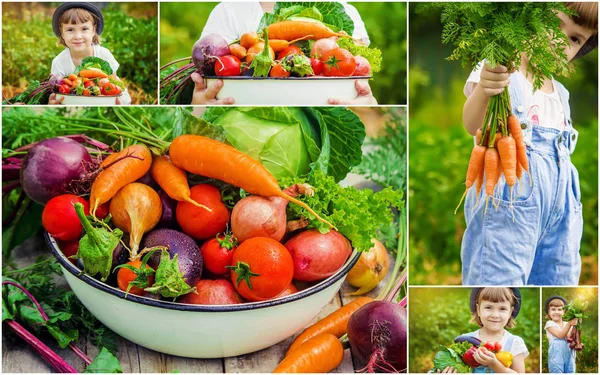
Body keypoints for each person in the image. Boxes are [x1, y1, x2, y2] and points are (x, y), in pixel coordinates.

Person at [460, 2, 598, 285]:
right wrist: (487, 87)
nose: (561, 40)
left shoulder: (561, 93)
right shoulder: (501, 68)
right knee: (500, 278)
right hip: (508, 206)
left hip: (561, 214)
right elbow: (473, 124)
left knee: (557, 278)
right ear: (528, 18)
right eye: (556, 24)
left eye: (574, 39)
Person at [190, 1, 377, 105]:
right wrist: (199, 104)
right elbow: (205, 95)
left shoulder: (345, 11)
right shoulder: (229, 12)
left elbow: (361, 88)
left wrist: (368, 103)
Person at [48, 2, 131, 105]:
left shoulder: (104, 54)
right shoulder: (59, 62)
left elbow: (113, 85)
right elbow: (57, 89)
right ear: (62, 33)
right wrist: (53, 103)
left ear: (93, 30)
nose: (78, 36)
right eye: (70, 30)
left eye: (84, 29)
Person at [438, 288, 529, 373]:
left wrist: (494, 364)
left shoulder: (514, 343)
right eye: (488, 307)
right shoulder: (465, 341)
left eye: (502, 309)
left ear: (510, 312)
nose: (495, 315)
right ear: (478, 309)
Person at [544, 295, 579, 373]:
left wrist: (576, 324)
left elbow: (569, 336)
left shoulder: (567, 324)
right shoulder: (549, 324)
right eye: (553, 309)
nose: (556, 312)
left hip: (569, 355)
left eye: (559, 309)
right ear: (549, 312)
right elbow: (560, 335)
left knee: (570, 371)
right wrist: (570, 323)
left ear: (564, 312)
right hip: (556, 357)